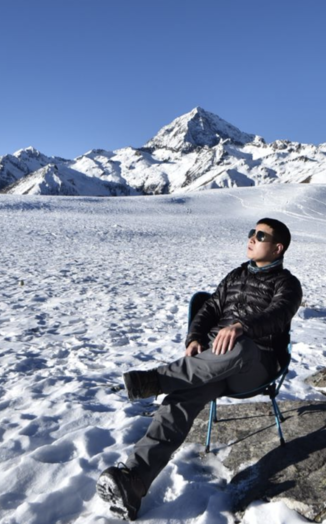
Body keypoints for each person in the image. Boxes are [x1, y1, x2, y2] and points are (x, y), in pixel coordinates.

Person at [96, 217, 303, 520]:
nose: (251, 238)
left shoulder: (287, 284)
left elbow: (278, 314)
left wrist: (241, 326)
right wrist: (194, 337)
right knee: (180, 400)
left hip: (256, 364)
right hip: (215, 365)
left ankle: (156, 380)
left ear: (278, 247)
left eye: (260, 235)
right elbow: (210, 308)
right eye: (251, 232)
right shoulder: (235, 275)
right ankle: (134, 480)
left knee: (240, 346)